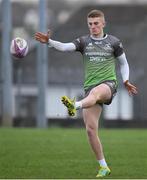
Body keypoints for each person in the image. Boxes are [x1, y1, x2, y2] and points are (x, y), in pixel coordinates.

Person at [35, 9, 138, 178]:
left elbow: (124, 63)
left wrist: (125, 80)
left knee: (97, 92)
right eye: (90, 24)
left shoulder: (114, 42)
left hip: (108, 85)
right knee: (90, 130)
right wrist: (49, 42)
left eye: (96, 23)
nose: (93, 27)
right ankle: (104, 167)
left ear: (103, 24)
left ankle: (74, 105)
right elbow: (66, 47)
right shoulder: (84, 41)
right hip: (89, 89)